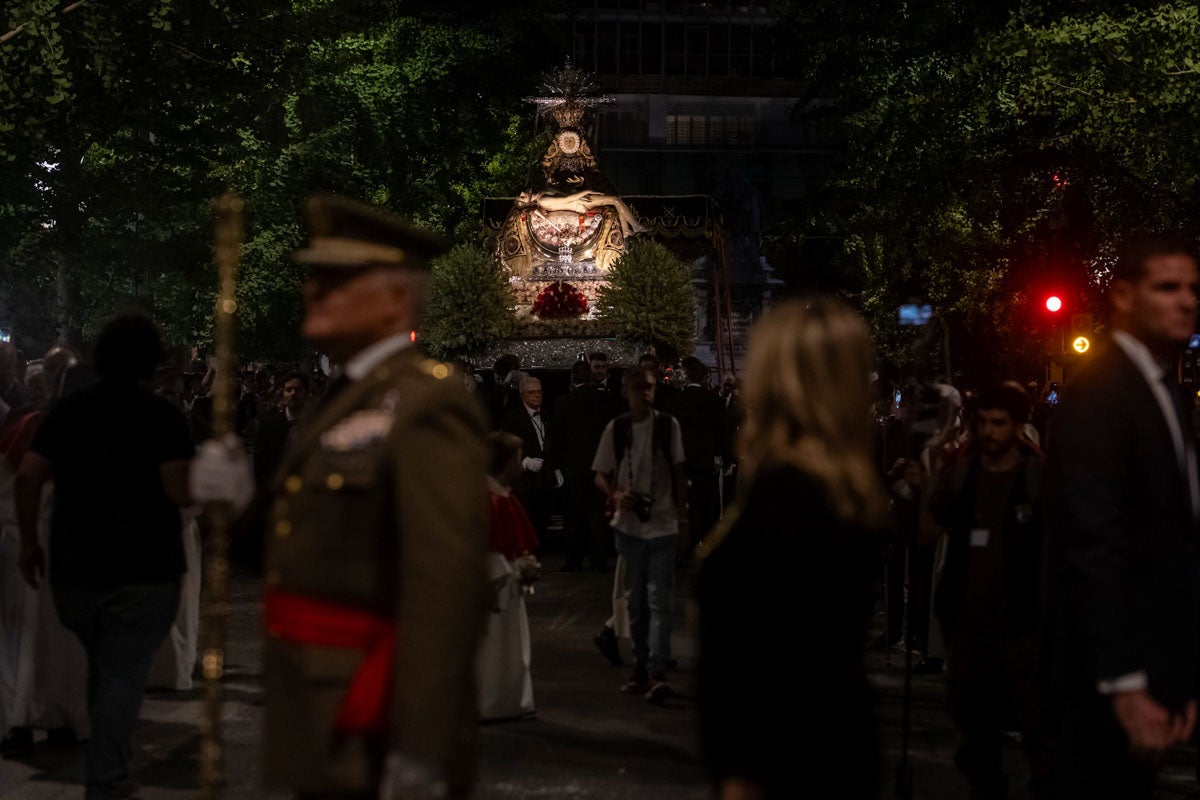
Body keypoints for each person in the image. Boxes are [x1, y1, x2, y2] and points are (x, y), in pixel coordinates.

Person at [191, 193, 489, 800]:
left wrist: (423, 747)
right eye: (313, 275)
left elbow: (445, 584)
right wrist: (244, 507)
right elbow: (302, 550)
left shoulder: (427, 402)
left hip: (373, 714)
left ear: (394, 298)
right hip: (317, 701)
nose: (312, 289)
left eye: (336, 278)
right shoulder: (342, 399)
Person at [696, 297, 887, 799]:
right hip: (829, 739)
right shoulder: (838, 480)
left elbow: (773, 653)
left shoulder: (792, 491)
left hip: (785, 756)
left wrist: (742, 769)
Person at [1043, 235, 1200, 799]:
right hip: (1101, 694)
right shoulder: (1104, 393)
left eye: (1192, 289)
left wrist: (1177, 679)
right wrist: (1128, 684)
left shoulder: (1162, 392)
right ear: (1124, 297)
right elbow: (1095, 545)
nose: (1185, 301)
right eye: (1167, 287)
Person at [17, 313, 195, 800]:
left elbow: (29, 476)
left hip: (75, 565)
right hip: (144, 565)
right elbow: (178, 488)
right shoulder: (162, 417)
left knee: (105, 666)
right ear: (154, 362)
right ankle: (109, 778)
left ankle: (110, 770)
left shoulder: (68, 412)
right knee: (121, 671)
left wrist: (31, 541)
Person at [931, 384, 1050, 799]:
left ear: (1018, 427)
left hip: (1022, 627)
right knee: (976, 741)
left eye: (998, 423)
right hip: (970, 626)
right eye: (983, 422)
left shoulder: (1038, 479)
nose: (989, 432)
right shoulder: (964, 475)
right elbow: (937, 518)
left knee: (1038, 737)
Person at [592, 366, 687, 703]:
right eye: (637, 388)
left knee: (659, 598)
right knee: (635, 600)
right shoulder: (617, 428)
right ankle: (641, 663)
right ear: (625, 392)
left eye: (648, 388)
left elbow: (678, 472)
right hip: (630, 525)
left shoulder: (666, 425)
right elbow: (600, 473)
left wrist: (682, 518)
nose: (644, 394)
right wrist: (617, 494)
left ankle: (657, 668)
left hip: (661, 522)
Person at [477, 432, 540, 721]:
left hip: (506, 580)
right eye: (516, 460)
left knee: (509, 645)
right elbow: (488, 549)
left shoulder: (501, 495)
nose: (519, 465)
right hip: (496, 584)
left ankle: (508, 699)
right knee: (494, 648)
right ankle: (492, 702)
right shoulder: (490, 500)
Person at [553, 361, 619, 572]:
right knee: (597, 515)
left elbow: (557, 438)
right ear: (591, 377)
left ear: (572, 378)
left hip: (573, 467)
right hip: (599, 466)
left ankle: (573, 559)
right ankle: (598, 559)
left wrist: (559, 466)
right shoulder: (605, 401)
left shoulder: (563, 403)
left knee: (573, 515)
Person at [662, 356, 728, 554]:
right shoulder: (714, 401)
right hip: (706, 461)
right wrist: (723, 456)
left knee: (685, 506)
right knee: (707, 506)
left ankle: (685, 548)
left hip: (682, 461)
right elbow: (722, 432)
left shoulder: (675, 401)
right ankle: (706, 546)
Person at [501, 375, 560, 543]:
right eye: (532, 392)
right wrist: (524, 461)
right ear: (522, 395)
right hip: (525, 482)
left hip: (545, 480)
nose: (537, 395)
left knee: (543, 522)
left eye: (539, 392)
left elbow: (553, 443)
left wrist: (556, 468)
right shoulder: (513, 418)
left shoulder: (547, 416)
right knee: (526, 523)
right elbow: (507, 447)